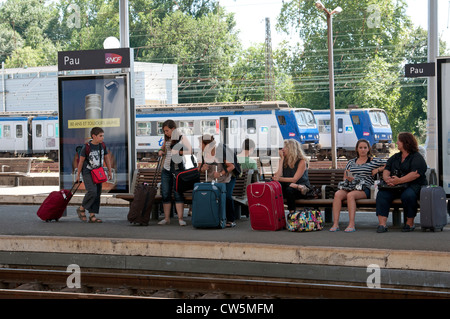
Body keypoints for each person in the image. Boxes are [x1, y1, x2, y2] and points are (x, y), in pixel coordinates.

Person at [330, 139, 386, 233]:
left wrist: (378, 170)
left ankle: (351, 224)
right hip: (351, 185)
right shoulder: (351, 162)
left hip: (365, 188)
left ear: (368, 149)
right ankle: (335, 224)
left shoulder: (373, 161)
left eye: (365, 147)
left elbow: (389, 164)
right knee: (338, 194)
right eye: (360, 148)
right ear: (357, 149)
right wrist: (350, 178)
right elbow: (346, 175)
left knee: (350, 195)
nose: (363, 150)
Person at [375, 132, 428, 233]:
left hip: (413, 185)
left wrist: (398, 181)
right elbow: (387, 168)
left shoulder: (416, 157)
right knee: (382, 194)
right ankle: (382, 224)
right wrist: (388, 180)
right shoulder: (395, 157)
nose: (397, 142)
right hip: (395, 186)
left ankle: (409, 223)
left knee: (408, 195)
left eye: (399, 140)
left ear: (406, 142)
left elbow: (415, 174)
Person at [157, 120, 191, 226]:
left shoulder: (182, 138)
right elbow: (162, 149)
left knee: (178, 193)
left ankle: (180, 218)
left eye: (167, 130)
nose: (166, 133)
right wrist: (160, 151)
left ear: (173, 129)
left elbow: (190, 151)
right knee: (166, 193)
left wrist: (178, 151)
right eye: (164, 131)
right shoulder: (166, 138)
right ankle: (167, 218)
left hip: (178, 170)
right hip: (166, 168)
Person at [198, 134, 237, 227]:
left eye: (201, 144)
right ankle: (212, 217)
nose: (199, 146)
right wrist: (203, 168)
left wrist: (220, 173)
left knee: (226, 196)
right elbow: (199, 169)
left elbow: (232, 166)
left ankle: (231, 220)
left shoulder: (219, 152)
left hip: (226, 179)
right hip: (212, 180)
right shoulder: (202, 154)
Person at [75, 127, 112, 223]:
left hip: (98, 172)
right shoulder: (86, 147)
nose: (102, 138)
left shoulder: (102, 145)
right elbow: (81, 161)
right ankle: (81, 208)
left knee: (97, 193)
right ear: (94, 136)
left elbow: (107, 158)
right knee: (92, 191)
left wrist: (109, 171)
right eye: (100, 136)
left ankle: (92, 215)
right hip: (88, 172)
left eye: (103, 136)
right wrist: (78, 175)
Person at [272, 139, 311, 214]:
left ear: (291, 149)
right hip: (289, 186)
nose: (282, 149)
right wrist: (282, 159)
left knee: (290, 189)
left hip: (301, 188)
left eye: (285, 147)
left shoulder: (302, 161)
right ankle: (275, 215)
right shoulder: (283, 161)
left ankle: (292, 215)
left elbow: (294, 179)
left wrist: (279, 179)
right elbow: (277, 176)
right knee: (275, 187)